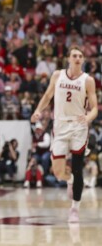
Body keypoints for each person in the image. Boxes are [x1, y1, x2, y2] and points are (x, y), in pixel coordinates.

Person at [31, 47, 98, 222]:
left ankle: (75, 208)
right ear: (68, 58)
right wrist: (38, 110)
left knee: (77, 166)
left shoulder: (88, 80)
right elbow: (47, 96)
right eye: (74, 55)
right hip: (60, 126)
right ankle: (69, 180)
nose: (77, 58)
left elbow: (95, 108)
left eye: (80, 56)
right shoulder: (57, 75)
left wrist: (88, 118)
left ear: (83, 60)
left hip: (78, 127)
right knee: (58, 172)